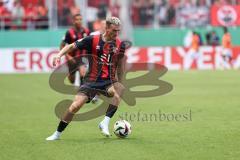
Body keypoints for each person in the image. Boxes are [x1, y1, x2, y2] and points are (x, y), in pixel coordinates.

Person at [46, 17, 126, 140]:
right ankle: (57, 134)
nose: (116, 33)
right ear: (107, 28)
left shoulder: (120, 44)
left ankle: (105, 122)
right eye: (114, 30)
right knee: (75, 107)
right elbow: (71, 46)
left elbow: (120, 65)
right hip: (91, 81)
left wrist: (120, 82)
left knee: (117, 93)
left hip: (107, 81)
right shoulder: (92, 40)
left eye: (118, 31)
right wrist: (59, 55)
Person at [60, 13, 90, 86]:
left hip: (82, 58)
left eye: (80, 19)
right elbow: (62, 46)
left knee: (82, 74)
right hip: (72, 59)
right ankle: (72, 77)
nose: (79, 21)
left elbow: (90, 44)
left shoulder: (87, 31)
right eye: (77, 20)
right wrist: (68, 56)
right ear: (73, 21)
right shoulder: (69, 32)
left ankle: (82, 92)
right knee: (72, 80)